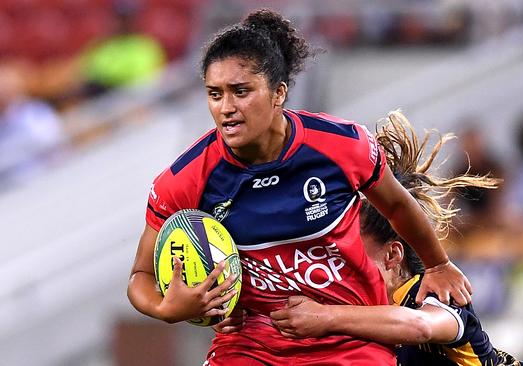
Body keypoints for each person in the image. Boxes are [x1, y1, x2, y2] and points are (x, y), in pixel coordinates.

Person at [126, 9, 472, 366]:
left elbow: (397, 206)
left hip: (350, 342)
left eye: (241, 91)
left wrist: (437, 264)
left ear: (278, 93)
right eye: (215, 94)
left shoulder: (341, 145)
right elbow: (141, 276)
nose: (226, 108)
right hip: (250, 345)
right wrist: (165, 307)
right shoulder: (186, 178)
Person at [269, 110, 523, 366]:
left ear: (392, 255)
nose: (339, 263)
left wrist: (326, 316)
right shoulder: (356, 308)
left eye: (351, 251)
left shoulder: (436, 292)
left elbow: (420, 326)